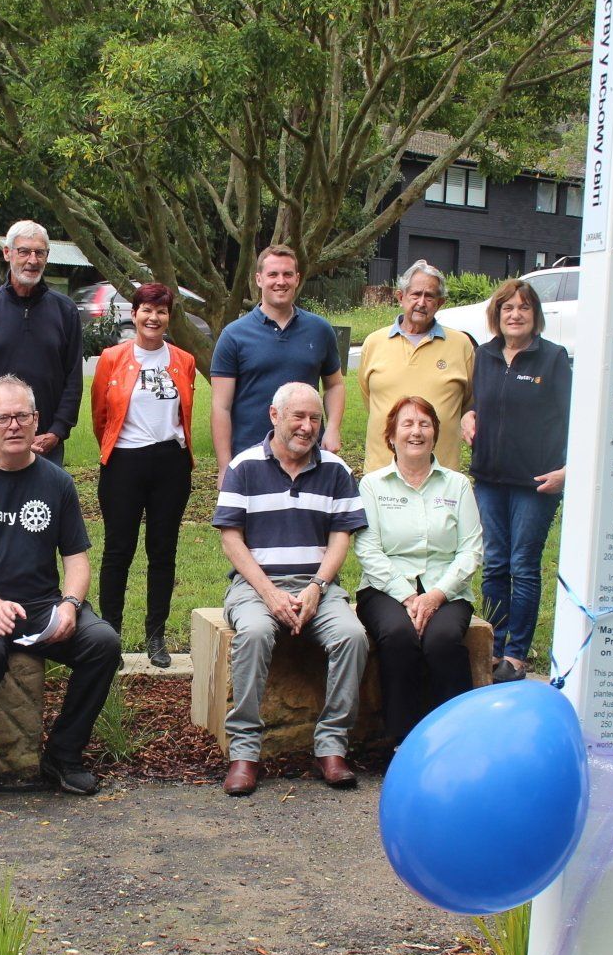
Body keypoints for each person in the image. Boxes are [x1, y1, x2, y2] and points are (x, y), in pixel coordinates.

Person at [0, 375, 122, 801]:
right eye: (2, 418)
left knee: (103, 642)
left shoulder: (57, 483)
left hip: (41, 605)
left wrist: (71, 605)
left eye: (22, 416)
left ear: (37, 421)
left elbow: (76, 559)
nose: (13, 425)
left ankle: (64, 755)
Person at [212, 382, 369, 795]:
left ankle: (331, 746)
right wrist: (269, 593)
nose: (307, 426)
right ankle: (245, 752)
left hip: (318, 585)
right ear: (274, 416)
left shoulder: (336, 470)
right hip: (255, 585)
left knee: (352, 637)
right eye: (298, 416)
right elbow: (231, 538)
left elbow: (341, 538)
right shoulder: (243, 467)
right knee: (256, 632)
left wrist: (318, 586)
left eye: (315, 418)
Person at [355, 395, 484, 742]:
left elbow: (471, 549)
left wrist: (436, 595)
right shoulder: (372, 485)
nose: (416, 432)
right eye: (407, 424)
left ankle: (457, 739)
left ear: (436, 433)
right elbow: (368, 550)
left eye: (425, 424)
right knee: (398, 637)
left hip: (447, 589)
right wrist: (409, 597)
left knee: (442, 640)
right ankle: (401, 742)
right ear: (392, 435)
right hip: (385, 590)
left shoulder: (457, 485)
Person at [462, 278, 572, 683]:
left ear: (535, 315)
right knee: (493, 563)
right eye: (508, 307)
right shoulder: (485, 355)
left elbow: (577, 418)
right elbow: (478, 402)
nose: (515, 314)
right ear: (497, 314)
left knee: (523, 565)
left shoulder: (553, 358)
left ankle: (517, 654)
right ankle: (493, 645)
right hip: (490, 478)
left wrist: (569, 470)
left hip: (536, 483)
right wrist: (467, 416)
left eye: (523, 307)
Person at [90, 282, 197, 667]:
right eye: (146, 310)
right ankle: (110, 637)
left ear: (169, 317)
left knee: (162, 552)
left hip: (171, 464)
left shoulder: (183, 360)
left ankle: (156, 636)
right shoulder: (111, 358)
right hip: (124, 462)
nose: (154, 318)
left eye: (162, 311)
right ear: (133, 314)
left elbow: (185, 412)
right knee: (118, 551)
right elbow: (101, 417)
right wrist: (118, 449)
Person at [0, 221, 82, 464]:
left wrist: (57, 431)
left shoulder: (66, 311)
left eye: (39, 252)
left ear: (47, 256)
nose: (32, 260)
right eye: (23, 251)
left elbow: (73, 380)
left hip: (46, 443)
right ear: (7, 253)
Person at [210, 245, 345, 474]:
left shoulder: (320, 330)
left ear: (297, 279)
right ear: (259, 279)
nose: (280, 281)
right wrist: (225, 467)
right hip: (249, 458)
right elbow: (221, 407)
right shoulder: (233, 335)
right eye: (273, 274)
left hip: (306, 455)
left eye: (287, 274)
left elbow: (335, 385)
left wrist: (332, 427)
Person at [356, 261, 476, 473]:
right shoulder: (374, 342)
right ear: (401, 297)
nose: (422, 302)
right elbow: (370, 399)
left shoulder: (461, 345)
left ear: (440, 303)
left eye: (430, 296)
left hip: (441, 475)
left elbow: (469, 402)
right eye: (415, 294)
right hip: (382, 474)